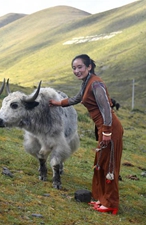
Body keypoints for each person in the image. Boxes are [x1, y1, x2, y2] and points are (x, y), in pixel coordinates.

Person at [49, 54, 123, 215]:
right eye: (74, 68)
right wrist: (57, 103)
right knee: (100, 164)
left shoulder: (95, 84)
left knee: (109, 165)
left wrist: (107, 132)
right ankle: (101, 198)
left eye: (80, 67)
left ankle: (110, 203)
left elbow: (106, 110)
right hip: (104, 127)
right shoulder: (87, 82)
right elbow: (76, 98)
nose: (76, 71)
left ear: (89, 66)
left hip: (110, 128)